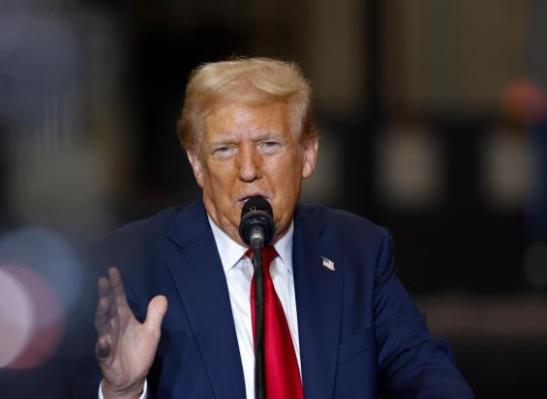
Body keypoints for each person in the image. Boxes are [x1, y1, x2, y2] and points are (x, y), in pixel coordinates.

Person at [90, 57, 474, 399]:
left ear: (308, 154)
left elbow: (428, 373)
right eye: (224, 149)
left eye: (269, 144)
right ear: (196, 164)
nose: (247, 170)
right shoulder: (135, 263)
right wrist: (122, 391)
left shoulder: (358, 253)